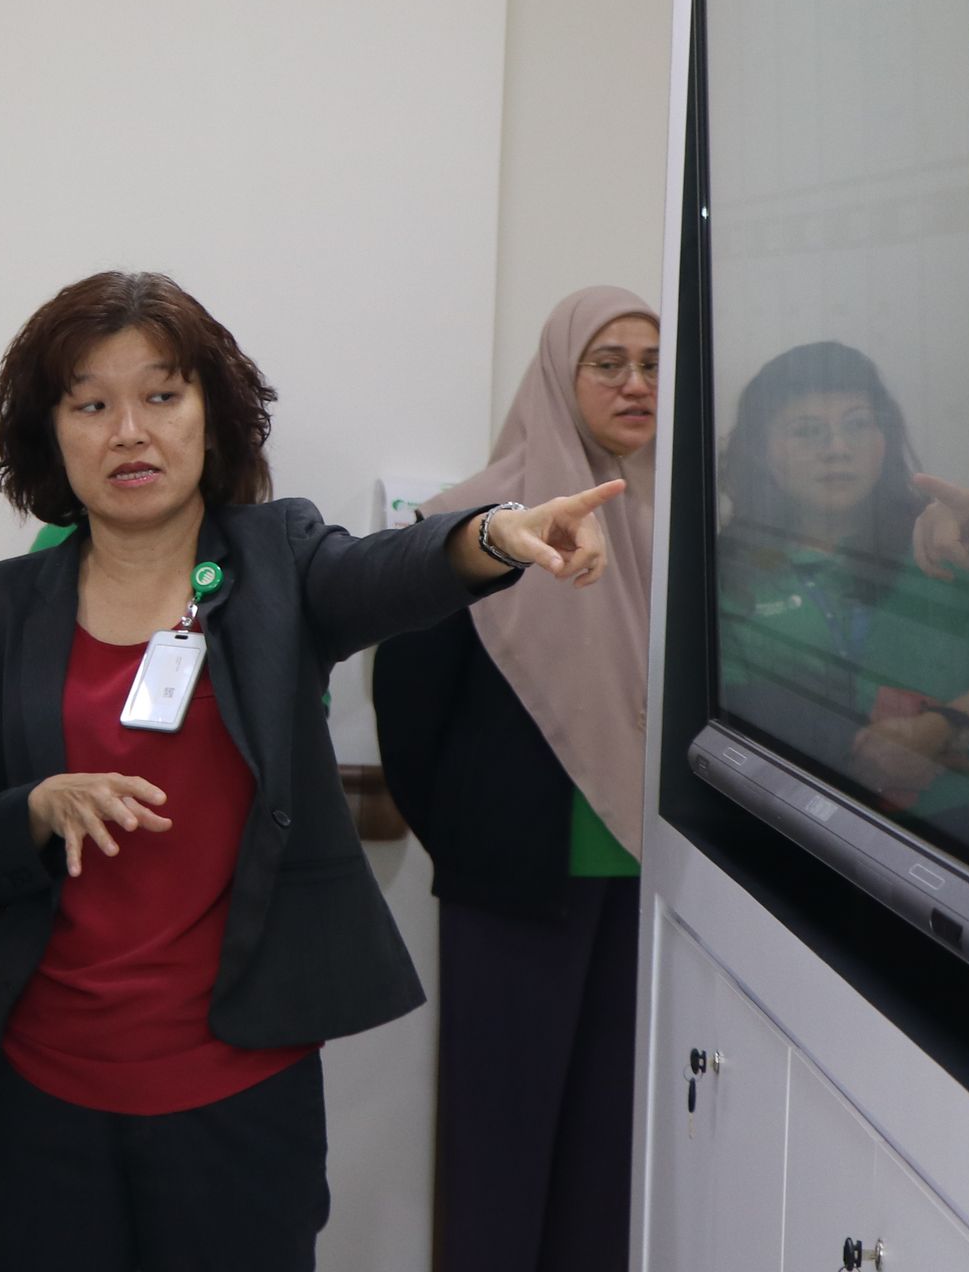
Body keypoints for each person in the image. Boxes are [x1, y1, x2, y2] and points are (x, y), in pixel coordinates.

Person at [0, 271, 624, 1272]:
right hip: (38, 1096)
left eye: (163, 395)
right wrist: (36, 806)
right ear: (50, 431)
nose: (130, 431)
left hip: (237, 1087)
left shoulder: (279, 562)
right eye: (91, 404)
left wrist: (494, 533)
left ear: (212, 415)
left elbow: (393, 570)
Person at [371, 287, 658, 1272]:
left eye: (652, 364)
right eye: (607, 363)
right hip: (516, 883)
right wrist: (473, 843)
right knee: (499, 1150)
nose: (635, 383)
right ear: (556, 376)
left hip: (656, 889)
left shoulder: (692, 522)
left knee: (611, 1154)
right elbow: (411, 715)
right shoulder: (467, 522)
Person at [712, 341, 969, 823]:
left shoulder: (944, 544)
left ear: (885, 436)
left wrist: (943, 727)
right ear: (761, 452)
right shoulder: (730, 572)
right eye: (807, 431)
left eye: (858, 424)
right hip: (794, 823)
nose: (838, 449)